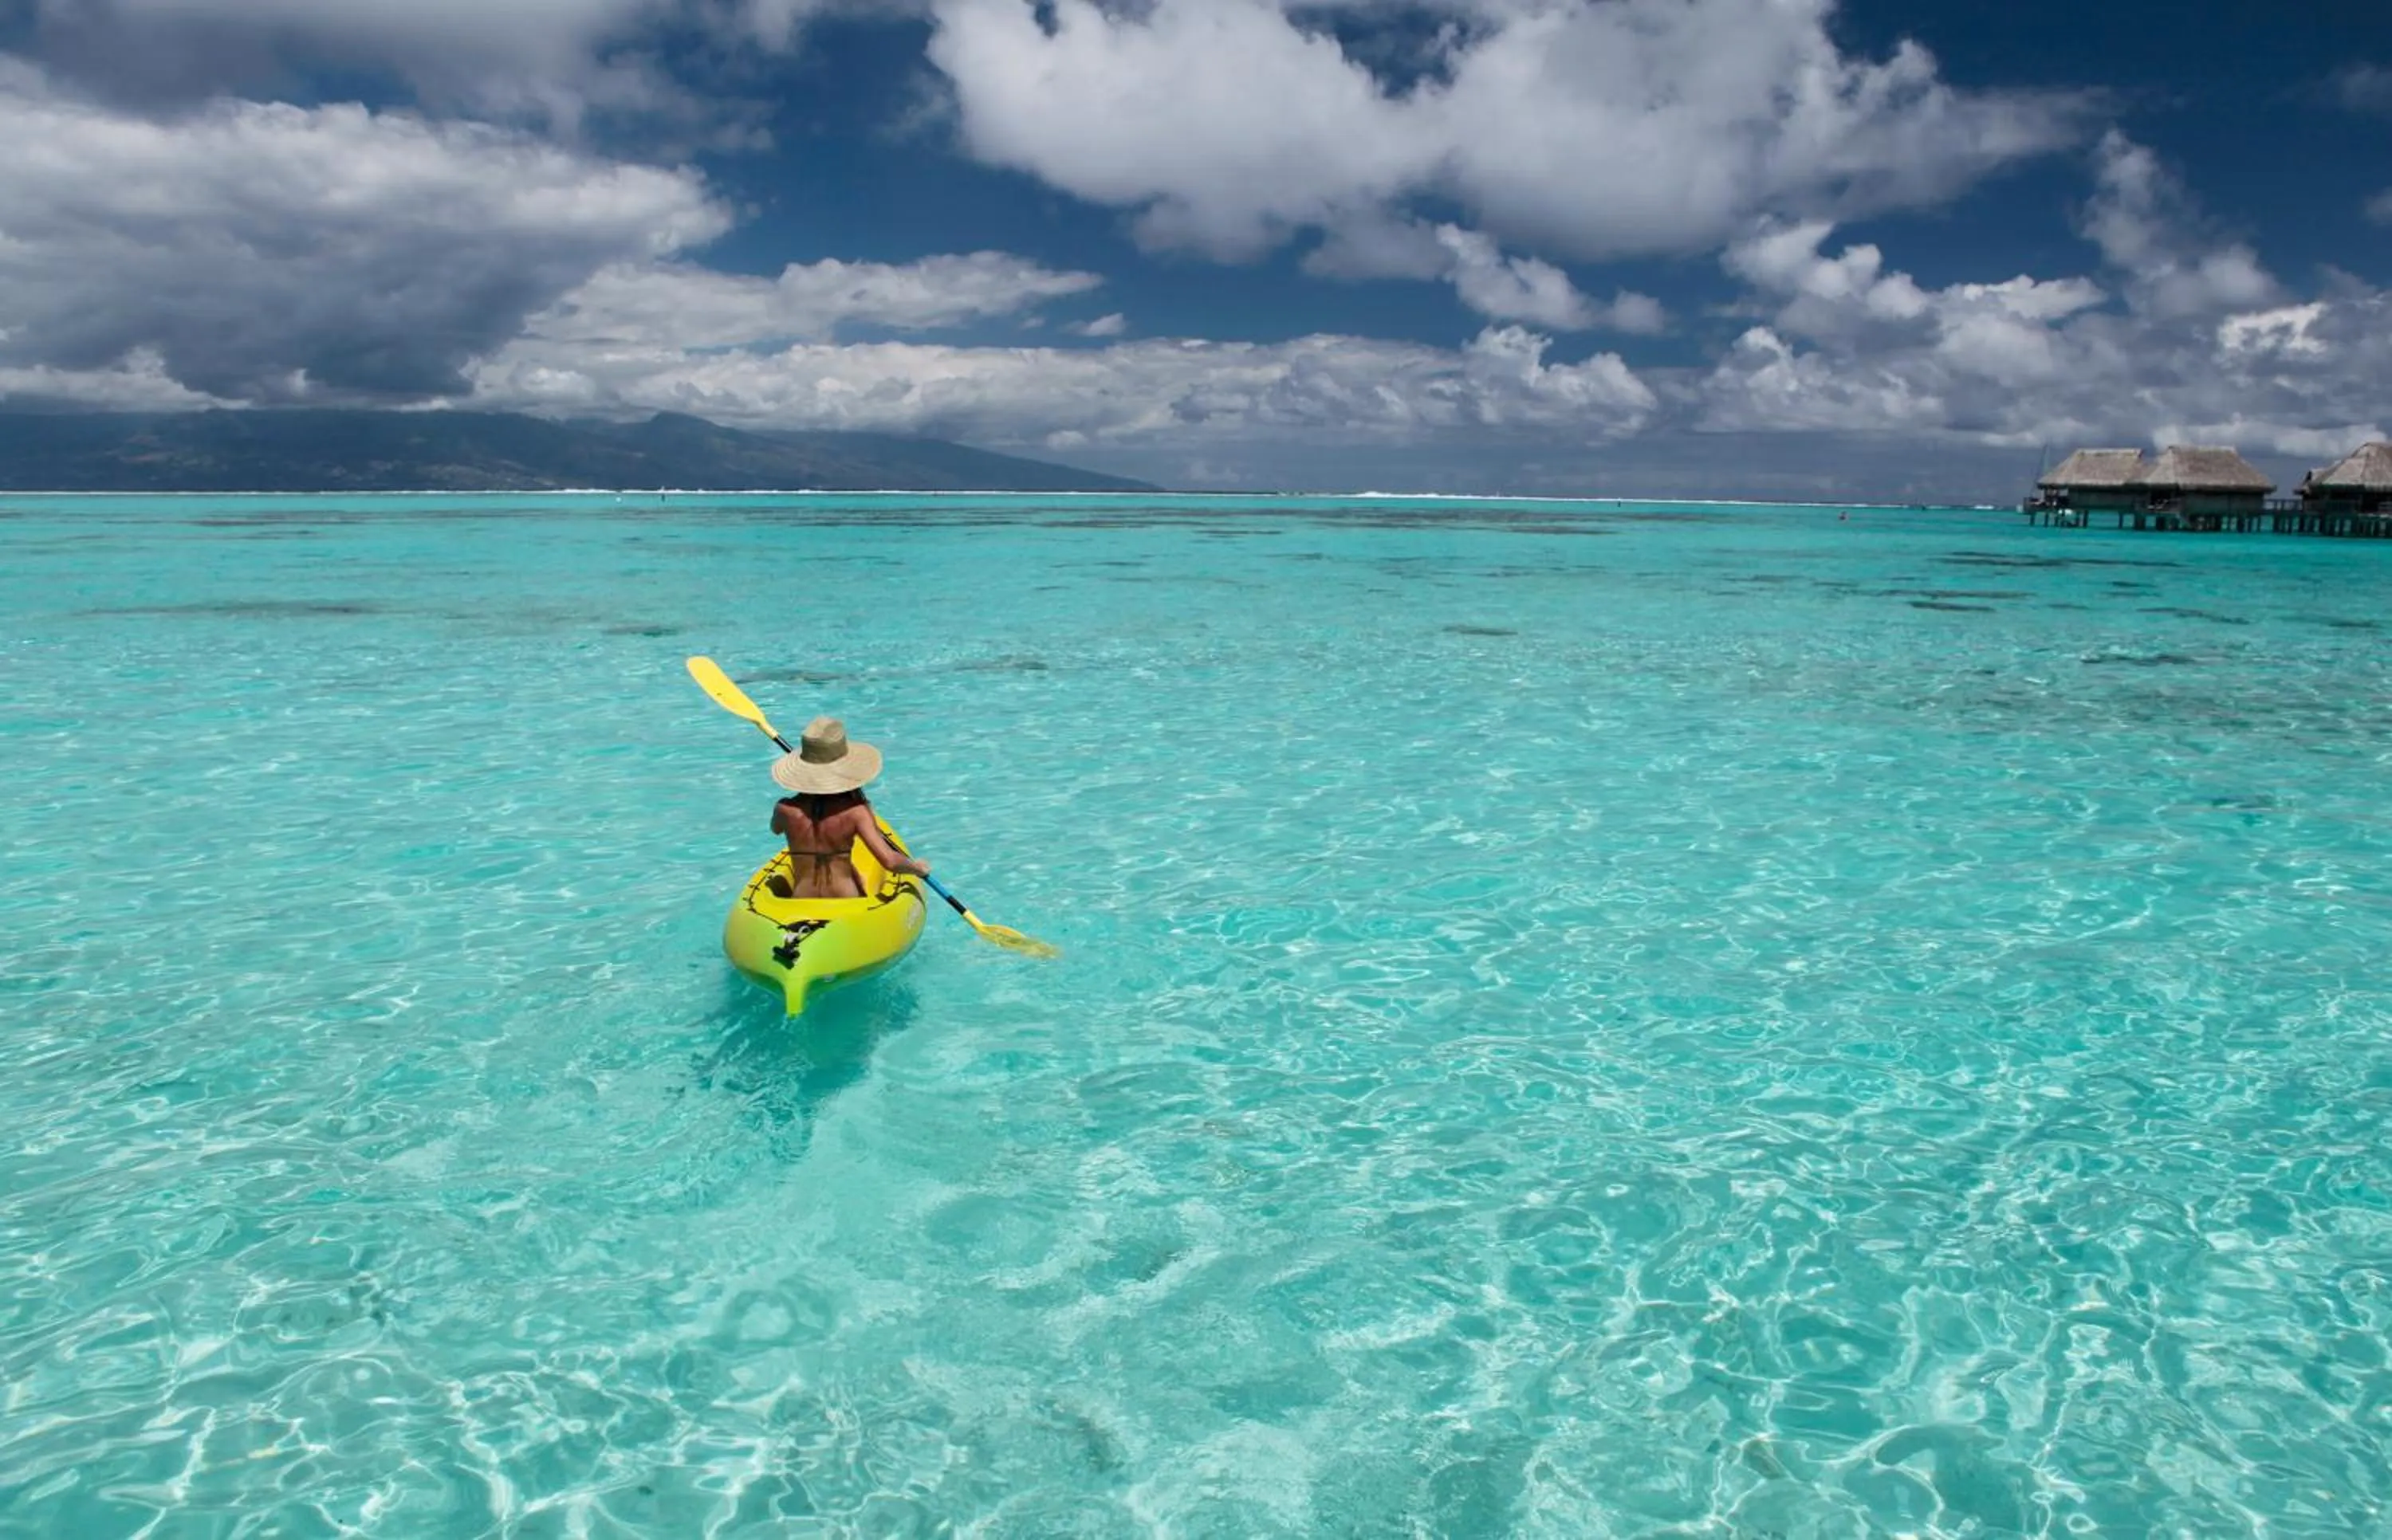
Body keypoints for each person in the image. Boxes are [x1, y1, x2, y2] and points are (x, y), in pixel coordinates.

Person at [766, 716, 930, 899]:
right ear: (844, 770)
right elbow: (889, 861)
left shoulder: (784, 809)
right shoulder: (855, 812)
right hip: (845, 899)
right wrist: (917, 868)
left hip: (802, 900)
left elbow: (776, 829)